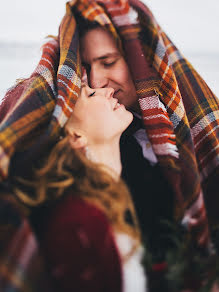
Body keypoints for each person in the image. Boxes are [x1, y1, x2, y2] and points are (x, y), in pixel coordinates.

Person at [0, 0, 219, 278]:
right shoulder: (99, 148)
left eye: (108, 62)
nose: (96, 80)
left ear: (141, 59)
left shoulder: (189, 128)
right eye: (87, 68)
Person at [13, 84, 147, 292]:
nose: (108, 90)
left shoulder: (100, 203)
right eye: (91, 94)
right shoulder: (76, 222)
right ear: (75, 136)